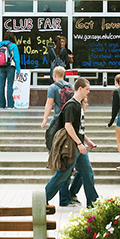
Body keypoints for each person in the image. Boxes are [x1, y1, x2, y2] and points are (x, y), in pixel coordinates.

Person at [44, 78, 99, 208]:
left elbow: (78, 128)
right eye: (87, 89)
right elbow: (68, 126)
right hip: (72, 147)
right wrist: (80, 144)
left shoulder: (78, 105)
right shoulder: (71, 105)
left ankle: (93, 203)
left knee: (87, 173)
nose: (88, 92)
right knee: (63, 174)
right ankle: (43, 197)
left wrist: (87, 141)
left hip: (78, 146)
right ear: (80, 88)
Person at [0, 32, 20, 109]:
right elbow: (16, 59)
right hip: (10, 67)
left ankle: (2, 105)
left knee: (1, 86)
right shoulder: (13, 46)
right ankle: (10, 105)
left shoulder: (0, 46)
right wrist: (18, 70)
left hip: (1, 67)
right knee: (9, 85)